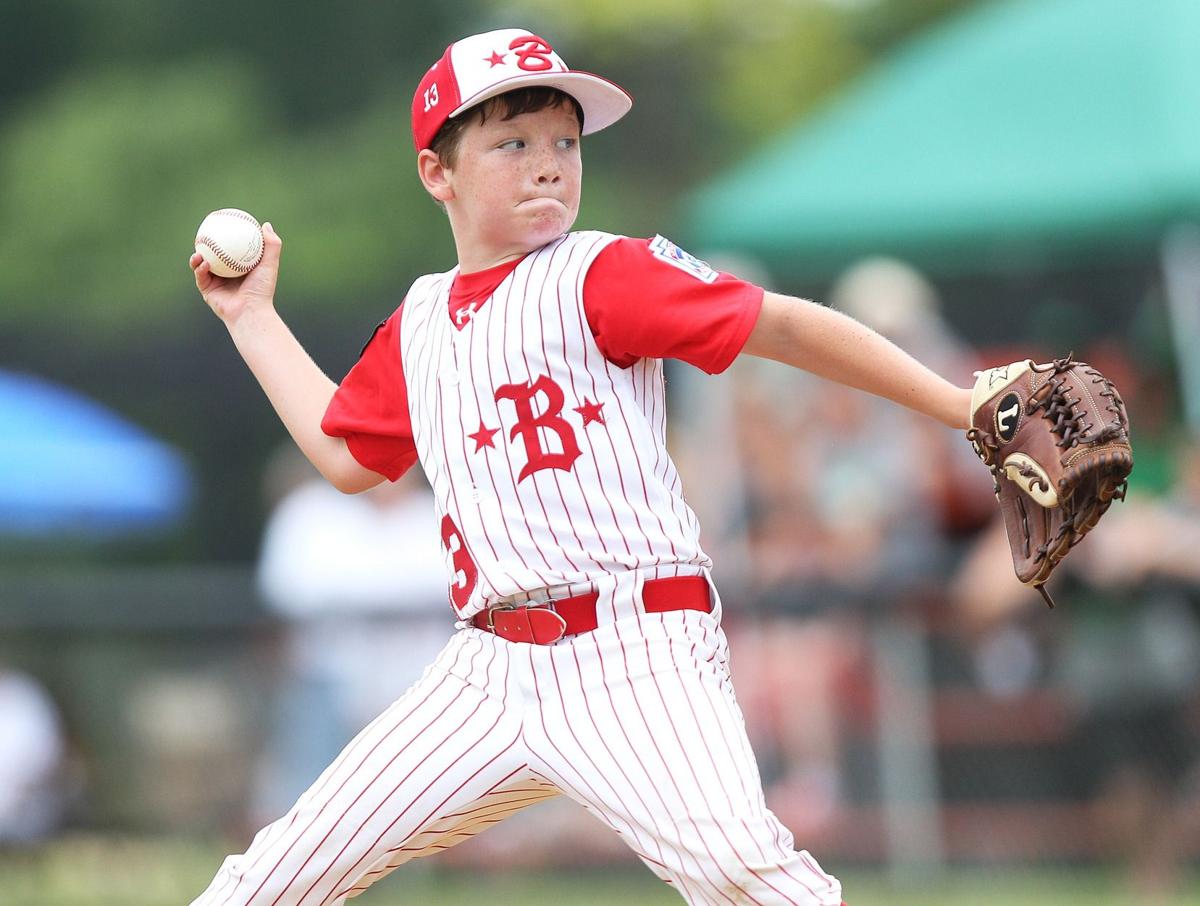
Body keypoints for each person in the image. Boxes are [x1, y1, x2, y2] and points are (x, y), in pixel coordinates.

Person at [188, 27, 974, 905]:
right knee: (273, 878)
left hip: (635, 653)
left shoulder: (603, 272)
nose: (549, 164)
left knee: (743, 877)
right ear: (436, 173)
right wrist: (251, 317)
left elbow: (780, 324)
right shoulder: (418, 321)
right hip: (485, 673)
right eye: (512, 142)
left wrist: (961, 406)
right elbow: (345, 457)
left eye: (565, 140)